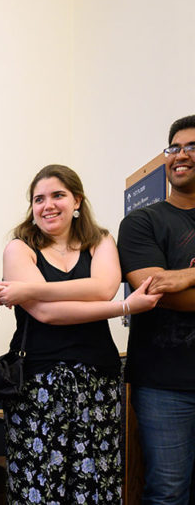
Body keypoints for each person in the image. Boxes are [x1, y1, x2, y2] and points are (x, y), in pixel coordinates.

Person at [0, 164, 160, 504]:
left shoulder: (100, 240)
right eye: (38, 199)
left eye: (58, 195)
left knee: (95, 483)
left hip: (97, 381)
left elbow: (103, 289)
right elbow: (47, 314)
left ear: (77, 202)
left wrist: (34, 289)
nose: (47, 205)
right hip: (36, 384)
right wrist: (125, 307)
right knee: (39, 486)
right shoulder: (19, 247)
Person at [118, 115, 195, 505]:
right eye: (175, 148)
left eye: (192, 147)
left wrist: (185, 277)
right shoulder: (141, 222)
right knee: (168, 492)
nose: (182, 155)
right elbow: (153, 290)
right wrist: (177, 280)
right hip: (164, 384)